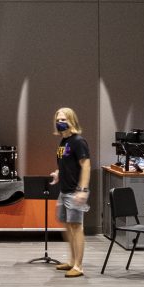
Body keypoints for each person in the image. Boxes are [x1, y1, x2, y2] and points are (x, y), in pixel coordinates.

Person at [51, 106, 91, 277]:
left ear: (71, 121)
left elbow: (86, 166)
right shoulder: (64, 141)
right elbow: (67, 164)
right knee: (67, 226)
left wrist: (82, 190)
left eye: (63, 119)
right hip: (64, 190)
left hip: (74, 192)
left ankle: (79, 266)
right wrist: (58, 173)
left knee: (76, 227)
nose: (60, 122)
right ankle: (72, 261)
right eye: (58, 120)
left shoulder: (78, 141)